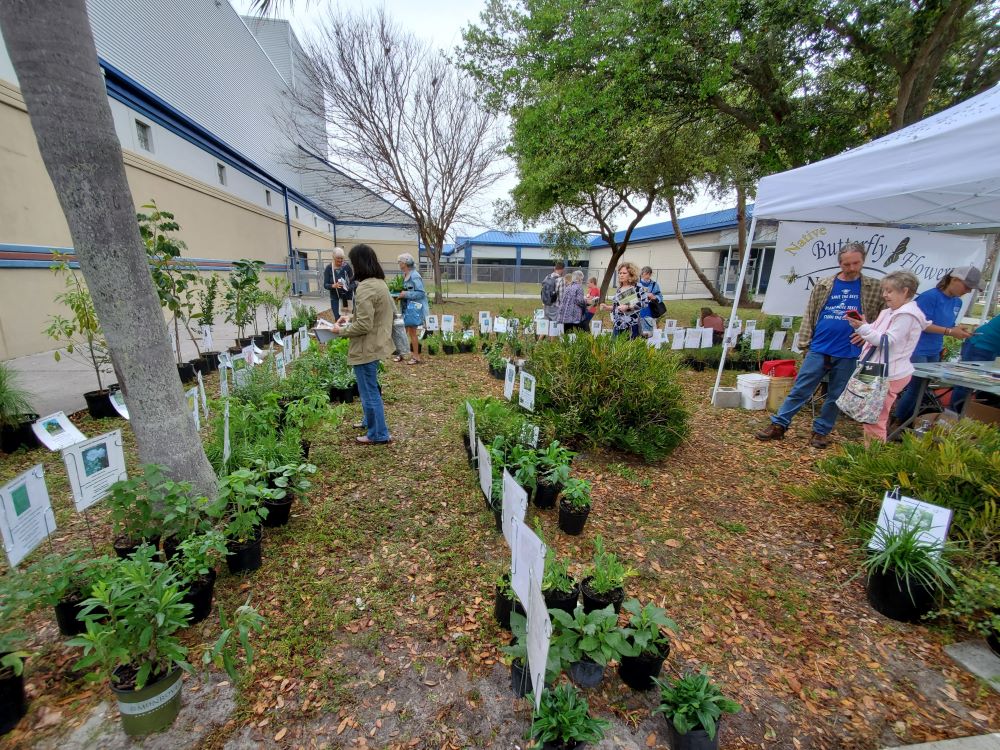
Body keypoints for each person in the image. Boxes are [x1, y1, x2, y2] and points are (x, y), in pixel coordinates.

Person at [756, 242, 885, 448]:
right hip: (819, 347)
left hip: (850, 351)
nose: (851, 268)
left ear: (863, 261)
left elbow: (885, 316)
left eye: (855, 263)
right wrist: (805, 343)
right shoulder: (825, 284)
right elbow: (809, 313)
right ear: (839, 263)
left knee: (836, 394)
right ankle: (779, 425)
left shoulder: (874, 287)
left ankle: (821, 431)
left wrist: (869, 332)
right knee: (800, 389)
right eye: (846, 264)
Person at [846, 271, 928, 443]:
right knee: (865, 412)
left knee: (875, 417)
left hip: (887, 372)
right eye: (884, 290)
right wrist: (861, 325)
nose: (884, 295)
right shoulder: (890, 311)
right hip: (874, 366)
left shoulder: (906, 315)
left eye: (889, 291)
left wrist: (863, 328)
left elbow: (885, 341)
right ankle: (869, 452)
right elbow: (873, 332)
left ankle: (873, 460)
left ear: (905, 291)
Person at [893, 266, 979, 424]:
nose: (968, 291)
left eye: (971, 289)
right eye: (967, 287)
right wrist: (950, 332)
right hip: (917, 349)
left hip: (934, 350)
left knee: (923, 389)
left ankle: (909, 422)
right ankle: (898, 421)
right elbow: (920, 323)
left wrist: (959, 330)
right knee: (916, 388)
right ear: (954, 280)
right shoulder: (929, 297)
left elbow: (949, 325)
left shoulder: (957, 302)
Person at [330, 244, 394, 445]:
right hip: (375, 344)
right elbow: (370, 318)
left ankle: (378, 434)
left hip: (367, 347)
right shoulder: (379, 284)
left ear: (359, 263)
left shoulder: (366, 287)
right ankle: (369, 422)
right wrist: (349, 319)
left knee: (368, 391)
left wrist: (341, 331)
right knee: (368, 387)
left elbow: (365, 324)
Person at [951, 312, 1000, 411]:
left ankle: (975, 412)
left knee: (983, 385)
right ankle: (953, 415)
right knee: (965, 383)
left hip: (990, 347)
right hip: (980, 345)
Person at [600, 262, 649, 339]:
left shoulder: (637, 287)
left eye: (624, 273)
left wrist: (628, 307)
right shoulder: (619, 289)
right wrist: (607, 307)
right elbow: (618, 307)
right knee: (614, 349)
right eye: (620, 273)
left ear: (631, 274)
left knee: (628, 350)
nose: (621, 275)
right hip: (618, 325)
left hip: (631, 326)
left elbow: (645, 303)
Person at [395, 253, 427, 365]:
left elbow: (421, 293)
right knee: (403, 332)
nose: (399, 263)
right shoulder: (405, 275)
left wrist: (406, 294)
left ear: (405, 263)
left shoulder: (415, 276)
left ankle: (416, 357)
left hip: (413, 309)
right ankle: (401, 354)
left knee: (412, 332)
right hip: (405, 308)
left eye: (400, 261)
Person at [323, 248, 355, 319]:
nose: (340, 260)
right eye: (338, 258)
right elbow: (325, 285)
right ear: (333, 257)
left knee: (347, 319)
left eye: (342, 258)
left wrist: (348, 287)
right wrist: (333, 285)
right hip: (335, 298)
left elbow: (353, 283)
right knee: (338, 319)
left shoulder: (346, 267)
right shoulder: (329, 268)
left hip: (347, 298)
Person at [637, 266, 663, 338]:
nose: (647, 276)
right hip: (638, 311)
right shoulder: (636, 283)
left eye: (649, 274)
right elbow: (632, 296)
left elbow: (660, 297)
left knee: (648, 333)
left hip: (650, 311)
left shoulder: (654, 285)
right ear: (641, 274)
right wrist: (645, 295)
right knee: (638, 333)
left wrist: (654, 297)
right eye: (645, 274)